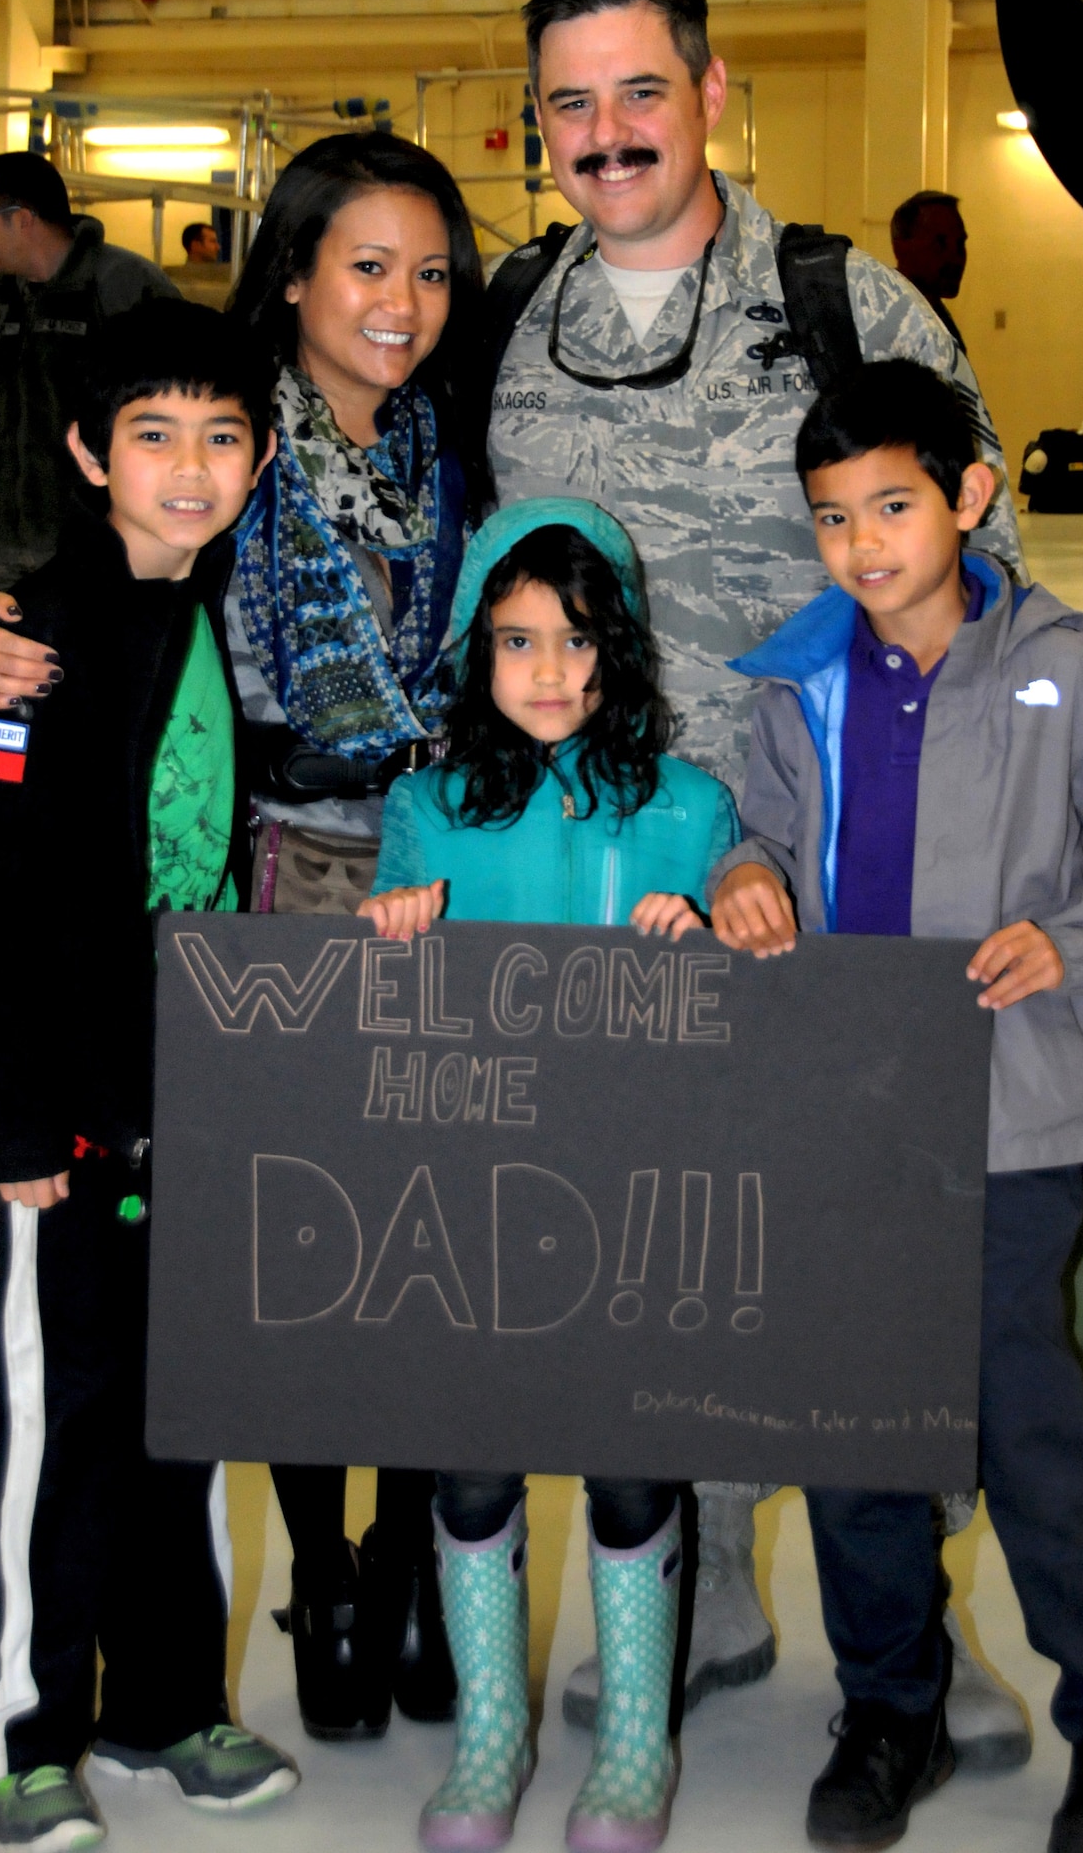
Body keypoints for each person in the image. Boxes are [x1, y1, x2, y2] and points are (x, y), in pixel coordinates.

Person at [489, 0, 1030, 1763]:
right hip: (617, 887)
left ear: (712, 96)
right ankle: (699, 1578)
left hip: (846, 873)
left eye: (639, 91)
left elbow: (991, 569)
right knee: (662, 1243)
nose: (606, 133)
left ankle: (913, 1632)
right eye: (569, 103)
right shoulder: (505, 318)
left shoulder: (844, 304)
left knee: (875, 1258)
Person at [0, 130, 493, 1747]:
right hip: (243, 927)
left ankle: (346, 1597)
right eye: (365, 265)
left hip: (412, 893)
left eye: (431, 269)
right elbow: (5, 840)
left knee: (398, 1267)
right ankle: (268, 1595)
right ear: (296, 271)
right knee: (257, 1289)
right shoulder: (215, 448)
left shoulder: (455, 442)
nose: (400, 301)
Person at [708, 358, 1083, 1853]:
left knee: (1023, 1423)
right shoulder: (796, 681)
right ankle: (889, 1708)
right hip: (843, 1109)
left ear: (969, 497)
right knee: (856, 1431)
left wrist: (1079, 939)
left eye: (895, 505)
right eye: (832, 518)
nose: (864, 544)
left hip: (1015, 1114)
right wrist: (742, 876)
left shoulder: (1067, 672)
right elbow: (766, 837)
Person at [0, 304, 298, 1852]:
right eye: (153, 435)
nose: (192, 467)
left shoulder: (208, 615)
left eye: (221, 436)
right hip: (58, 1104)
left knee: (178, 1407)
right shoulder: (22, 644)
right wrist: (17, 1119)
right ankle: (23, 1724)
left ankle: (163, 1702)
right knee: (58, 1408)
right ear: (89, 454)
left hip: (190, 1085)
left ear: (259, 455)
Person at [360, 496, 739, 1853]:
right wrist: (396, 925)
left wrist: (709, 933)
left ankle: (635, 1742)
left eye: (580, 643)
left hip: (636, 1200)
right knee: (473, 1472)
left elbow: (752, 994)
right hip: (472, 1203)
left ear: (620, 651)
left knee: (634, 1471)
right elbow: (387, 1018)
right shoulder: (425, 811)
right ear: (475, 648)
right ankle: (490, 1734)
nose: (552, 675)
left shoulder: (692, 806)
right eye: (518, 642)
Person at [0, 151, 177, 594]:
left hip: (103, 545)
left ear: (22, 218)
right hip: (4, 552)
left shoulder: (124, 288)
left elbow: (175, 417)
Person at [889, 190, 968, 354]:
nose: (956, 258)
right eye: (940, 244)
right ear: (901, 248)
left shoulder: (937, 315)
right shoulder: (886, 319)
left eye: (960, 244)